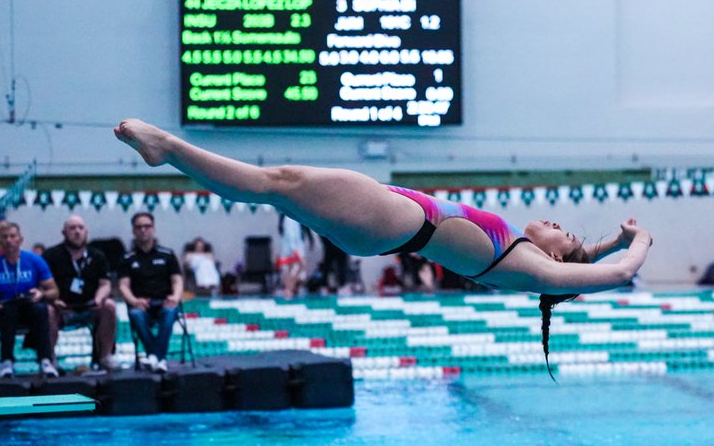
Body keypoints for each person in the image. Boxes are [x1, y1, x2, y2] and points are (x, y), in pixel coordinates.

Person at [113, 119, 652, 368]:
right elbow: (595, 259)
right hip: (390, 216)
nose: (556, 222)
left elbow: (615, 274)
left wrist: (641, 241)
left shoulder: (540, 271)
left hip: (391, 220)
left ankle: (169, 149)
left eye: (564, 232)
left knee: (273, 184)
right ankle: (171, 151)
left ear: (556, 254)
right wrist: (613, 241)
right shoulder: (534, 261)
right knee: (276, 191)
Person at [0, 221, 59, 378]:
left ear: (20, 240)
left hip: (29, 307)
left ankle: (45, 360)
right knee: (9, 312)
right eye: (5, 237)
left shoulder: (35, 261)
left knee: (41, 309)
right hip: (4, 308)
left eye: (13, 236)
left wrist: (41, 294)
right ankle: (6, 361)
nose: (9, 240)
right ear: (0, 242)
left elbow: (54, 291)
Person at [43, 215, 119, 371]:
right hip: (62, 308)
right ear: (64, 233)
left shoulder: (97, 255)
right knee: (47, 311)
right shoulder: (51, 255)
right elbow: (42, 285)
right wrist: (53, 301)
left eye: (80, 228)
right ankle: (50, 359)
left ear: (86, 232)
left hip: (90, 306)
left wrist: (99, 298)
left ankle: (105, 356)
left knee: (109, 305)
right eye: (72, 228)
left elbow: (105, 284)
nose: (77, 232)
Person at [118, 212, 183, 372]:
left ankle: (153, 357)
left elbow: (177, 280)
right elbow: (123, 286)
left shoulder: (167, 254)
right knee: (136, 314)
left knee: (170, 311)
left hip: (164, 302)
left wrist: (175, 297)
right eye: (139, 227)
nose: (143, 230)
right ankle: (159, 359)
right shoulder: (127, 258)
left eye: (147, 226)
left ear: (153, 229)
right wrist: (134, 301)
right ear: (134, 231)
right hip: (141, 304)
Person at [277, 213, 312, 299]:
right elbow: (291, 235)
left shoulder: (293, 217)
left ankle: (290, 290)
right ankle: (289, 290)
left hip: (292, 248)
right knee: (295, 269)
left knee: (295, 270)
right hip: (292, 249)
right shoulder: (290, 218)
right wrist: (295, 251)